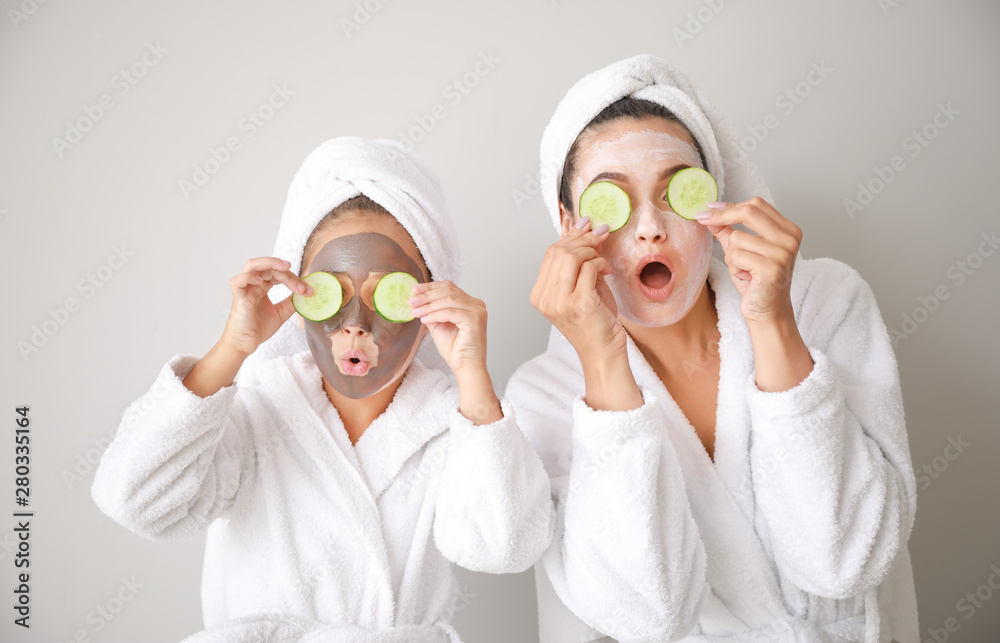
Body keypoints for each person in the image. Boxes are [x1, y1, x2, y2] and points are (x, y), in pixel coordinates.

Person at [506, 54, 918, 642]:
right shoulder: (545, 395)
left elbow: (844, 559)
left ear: (717, 204)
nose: (649, 226)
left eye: (678, 191)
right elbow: (645, 616)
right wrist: (602, 364)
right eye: (611, 203)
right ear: (570, 225)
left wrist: (774, 320)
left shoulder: (826, 301)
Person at [92, 136, 553, 642]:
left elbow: (504, 547)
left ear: (428, 305)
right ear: (299, 295)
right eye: (331, 293)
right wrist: (233, 347)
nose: (355, 325)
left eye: (390, 295)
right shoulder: (258, 410)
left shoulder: (454, 423)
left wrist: (472, 374)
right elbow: (135, 500)